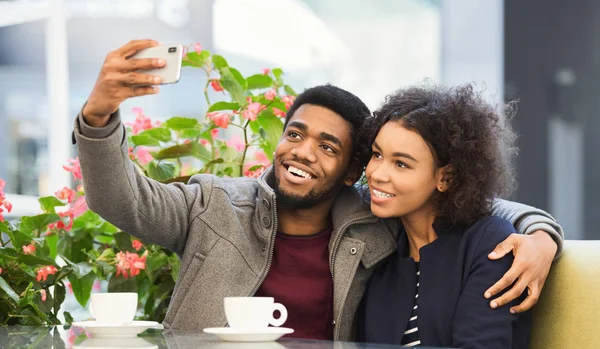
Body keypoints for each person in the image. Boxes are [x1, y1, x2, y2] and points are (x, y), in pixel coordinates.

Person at [72, 40, 563, 341]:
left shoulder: (375, 225)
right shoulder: (211, 206)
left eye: (328, 147)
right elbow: (121, 199)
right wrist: (97, 116)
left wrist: (541, 234)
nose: (303, 152)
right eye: (295, 134)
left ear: (352, 171)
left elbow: (462, 203)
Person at [358, 83, 533, 348]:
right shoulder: (381, 255)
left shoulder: (488, 243)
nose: (377, 174)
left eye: (401, 164)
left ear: (445, 177)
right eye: (377, 154)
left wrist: (544, 235)